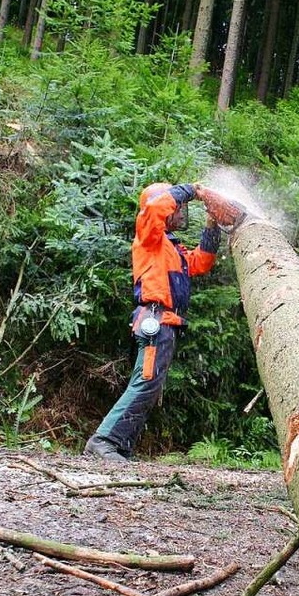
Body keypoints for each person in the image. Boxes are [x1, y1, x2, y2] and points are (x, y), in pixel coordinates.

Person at [84, 181, 220, 462]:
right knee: (145, 382)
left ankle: (121, 446)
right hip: (154, 319)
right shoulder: (148, 235)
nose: (181, 213)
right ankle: (103, 441)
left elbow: (201, 262)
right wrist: (191, 190)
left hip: (167, 321)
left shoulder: (171, 247)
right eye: (178, 207)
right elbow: (156, 207)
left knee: (151, 386)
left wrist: (212, 225)